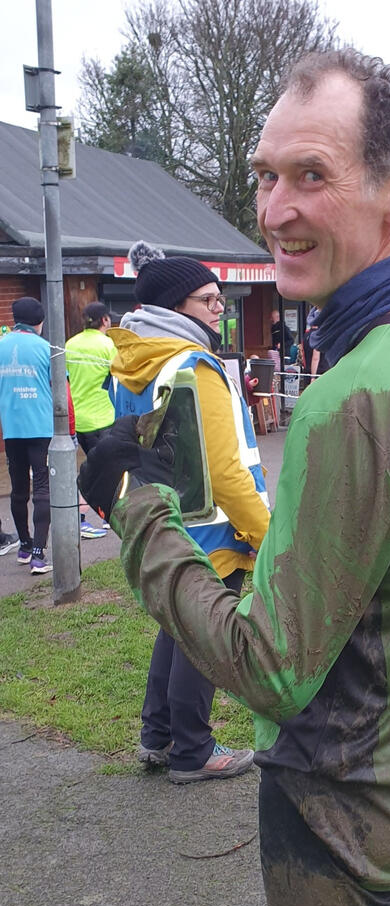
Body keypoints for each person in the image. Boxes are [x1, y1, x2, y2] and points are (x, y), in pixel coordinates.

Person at [79, 48, 390, 906]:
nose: (276, 210)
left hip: (343, 822)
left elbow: (270, 671)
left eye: (311, 174)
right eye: (265, 175)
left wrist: (134, 508)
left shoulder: (349, 403)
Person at [106, 241, 271, 785]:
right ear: (177, 306)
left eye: (221, 298)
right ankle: (193, 751)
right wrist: (265, 532)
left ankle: (158, 736)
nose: (219, 308)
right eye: (208, 299)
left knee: (175, 629)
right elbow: (226, 472)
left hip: (162, 524)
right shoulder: (195, 366)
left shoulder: (133, 362)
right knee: (204, 636)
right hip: (212, 530)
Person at [0, 297, 53, 574]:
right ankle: (38, 554)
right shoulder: (46, 348)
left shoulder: (1, 346)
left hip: (12, 429)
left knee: (19, 489)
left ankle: (23, 545)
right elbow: (59, 389)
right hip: (41, 428)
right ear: (40, 321)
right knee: (43, 487)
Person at [66, 301, 116, 538]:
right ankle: (109, 516)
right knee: (108, 470)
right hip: (104, 417)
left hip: (79, 419)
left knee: (89, 468)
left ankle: (83, 517)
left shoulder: (70, 344)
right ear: (104, 320)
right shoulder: (108, 345)